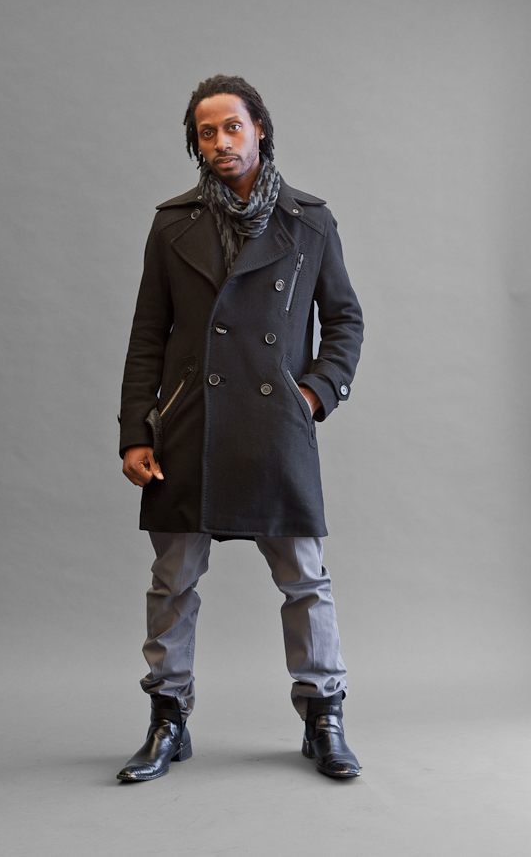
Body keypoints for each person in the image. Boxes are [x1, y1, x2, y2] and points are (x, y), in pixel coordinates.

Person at [116, 75, 364, 783]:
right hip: (189, 426)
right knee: (172, 582)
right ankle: (168, 719)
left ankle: (324, 717)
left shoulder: (309, 221)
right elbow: (147, 334)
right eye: (206, 132)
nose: (221, 141)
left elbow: (344, 320)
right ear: (196, 144)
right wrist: (136, 430)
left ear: (259, 128)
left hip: (274, 427)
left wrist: (310, 396)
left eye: (232, 126)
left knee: (305, 579)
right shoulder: (173, 224)